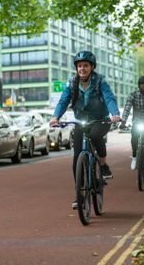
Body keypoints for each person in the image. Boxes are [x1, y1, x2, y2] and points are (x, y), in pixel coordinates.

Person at [50, 51, 120, 209]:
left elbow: (109, 97)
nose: (82, 68)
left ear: (92, 67)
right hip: (81, 121)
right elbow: (63, 100)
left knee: (96, 136)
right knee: (77, 156)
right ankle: (79, 195)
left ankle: (103, 165)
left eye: (86, 66)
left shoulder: (100, 81)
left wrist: (115, 114)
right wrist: (56, 117)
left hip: (100, 119)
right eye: (79, 66)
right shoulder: (72, 82)